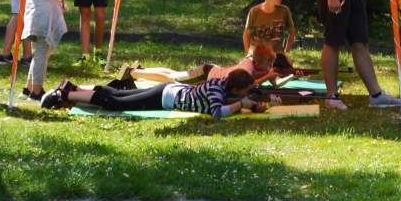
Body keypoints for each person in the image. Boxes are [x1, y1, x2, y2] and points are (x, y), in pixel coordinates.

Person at [45, 65, 264, 117]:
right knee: (117, 103)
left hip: (168, 91)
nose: (245, 94)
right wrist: (241, 105)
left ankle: (74, 89)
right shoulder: (217, 91)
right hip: (165, 97)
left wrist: (252, 105)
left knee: (118, 95)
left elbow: (230, 101)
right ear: (236, 88)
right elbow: (217, 112)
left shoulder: (223, 85)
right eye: (245, 91)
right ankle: (65, 95)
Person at [241, 0, 296, 81]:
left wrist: (286, 52)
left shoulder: (284, 10)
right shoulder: (254, 11)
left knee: (289, 75)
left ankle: (273, 75)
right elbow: (246, 35)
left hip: (277, 55)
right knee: (246, 76)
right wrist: (248, 54)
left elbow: (292, 32)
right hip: (258, 55)